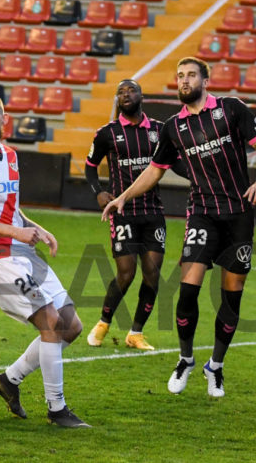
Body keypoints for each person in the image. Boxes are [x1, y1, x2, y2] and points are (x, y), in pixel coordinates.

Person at [103, 57, 256, 398]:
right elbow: (154, 171)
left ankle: (216, 366)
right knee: (188, 290)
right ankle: (185, 360)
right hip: (202, 214)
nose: (184, 80)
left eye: (191, 75)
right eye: (180, 76)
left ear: (205, 80)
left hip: (239, 214)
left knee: (232, 292)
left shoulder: (231, 109)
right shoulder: (172, 128)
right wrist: (122, 197)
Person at [0, 95, 89, 428]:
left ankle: (9, 380)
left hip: (23, 251)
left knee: (71, 326)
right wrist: (16, 231)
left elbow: (12, 208)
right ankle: (57, 409)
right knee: (50, 320)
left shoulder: (11, 156)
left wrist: (36, 228)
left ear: (4, 119)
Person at [84, 79, 165, 352]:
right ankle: (104, 323)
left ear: (142, 95)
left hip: (153, 212)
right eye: (120, 92)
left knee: (152, 274)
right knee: (126, 273)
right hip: (123, 212)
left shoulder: (158, 130)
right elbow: (90, 167)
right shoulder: (106, 133)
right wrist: (98, 192)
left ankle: (136, 333)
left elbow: (175, 162)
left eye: (131, 90)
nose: (125, 95)